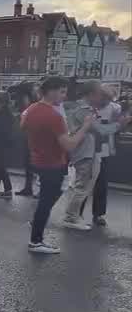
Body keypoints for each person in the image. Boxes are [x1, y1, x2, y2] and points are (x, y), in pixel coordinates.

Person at [22, 76, 95, 254]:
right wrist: (85, 127)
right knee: (47, 201)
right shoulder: (54, 116)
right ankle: (36, 241)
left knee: (52, 195)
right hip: (52, 162)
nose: (65, 95)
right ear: (51, 91)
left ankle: (37, 225)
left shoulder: (30, 110)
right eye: (62, 91)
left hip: (38, 158)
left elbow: (24, 128)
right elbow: (69, 145)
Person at [63, 81, 111, 230]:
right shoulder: (83, 109)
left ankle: (73, 215)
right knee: (82, 186)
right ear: (90, 94)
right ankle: (71, 217)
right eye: (99, 94)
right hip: (85, 151)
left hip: (88, 150)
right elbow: (97, 129)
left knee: (84, 185)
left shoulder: (83, 107)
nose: (101, 98)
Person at [81, 88, 128, 226]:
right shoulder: (87, 108)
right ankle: (77, 212)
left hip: (105, 150)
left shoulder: (115, 108)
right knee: (83, 183)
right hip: (88, 150)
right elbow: (101, 129)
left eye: (108, 99)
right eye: (103, 99)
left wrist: (121, 122)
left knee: (101, 183)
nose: (105, 102)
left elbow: (120, 128)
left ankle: (98, 214)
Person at [16, 91, 37, 196]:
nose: (23, 101)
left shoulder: (32, 109)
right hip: (28, 141)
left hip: (33, 142)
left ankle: (30, 188)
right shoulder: (28, 109)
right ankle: (28, 188)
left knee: (32, 166)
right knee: (28, 167)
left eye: (24, 98)